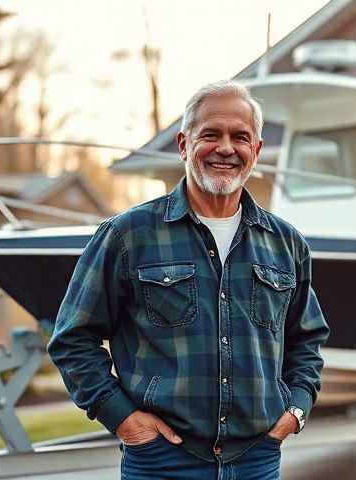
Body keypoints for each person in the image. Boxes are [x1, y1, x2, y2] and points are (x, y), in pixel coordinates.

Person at [48, 80, 330, 480]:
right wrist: (123, 418)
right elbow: (72, 339)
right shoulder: (128, 235)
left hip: (258, 461)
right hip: (162, 462)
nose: (226, 148)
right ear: (183, 144)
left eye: (240, 137)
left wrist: (294, 412)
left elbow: (307, 342)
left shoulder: (286, 244)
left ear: (257, 151)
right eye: (210, 135)